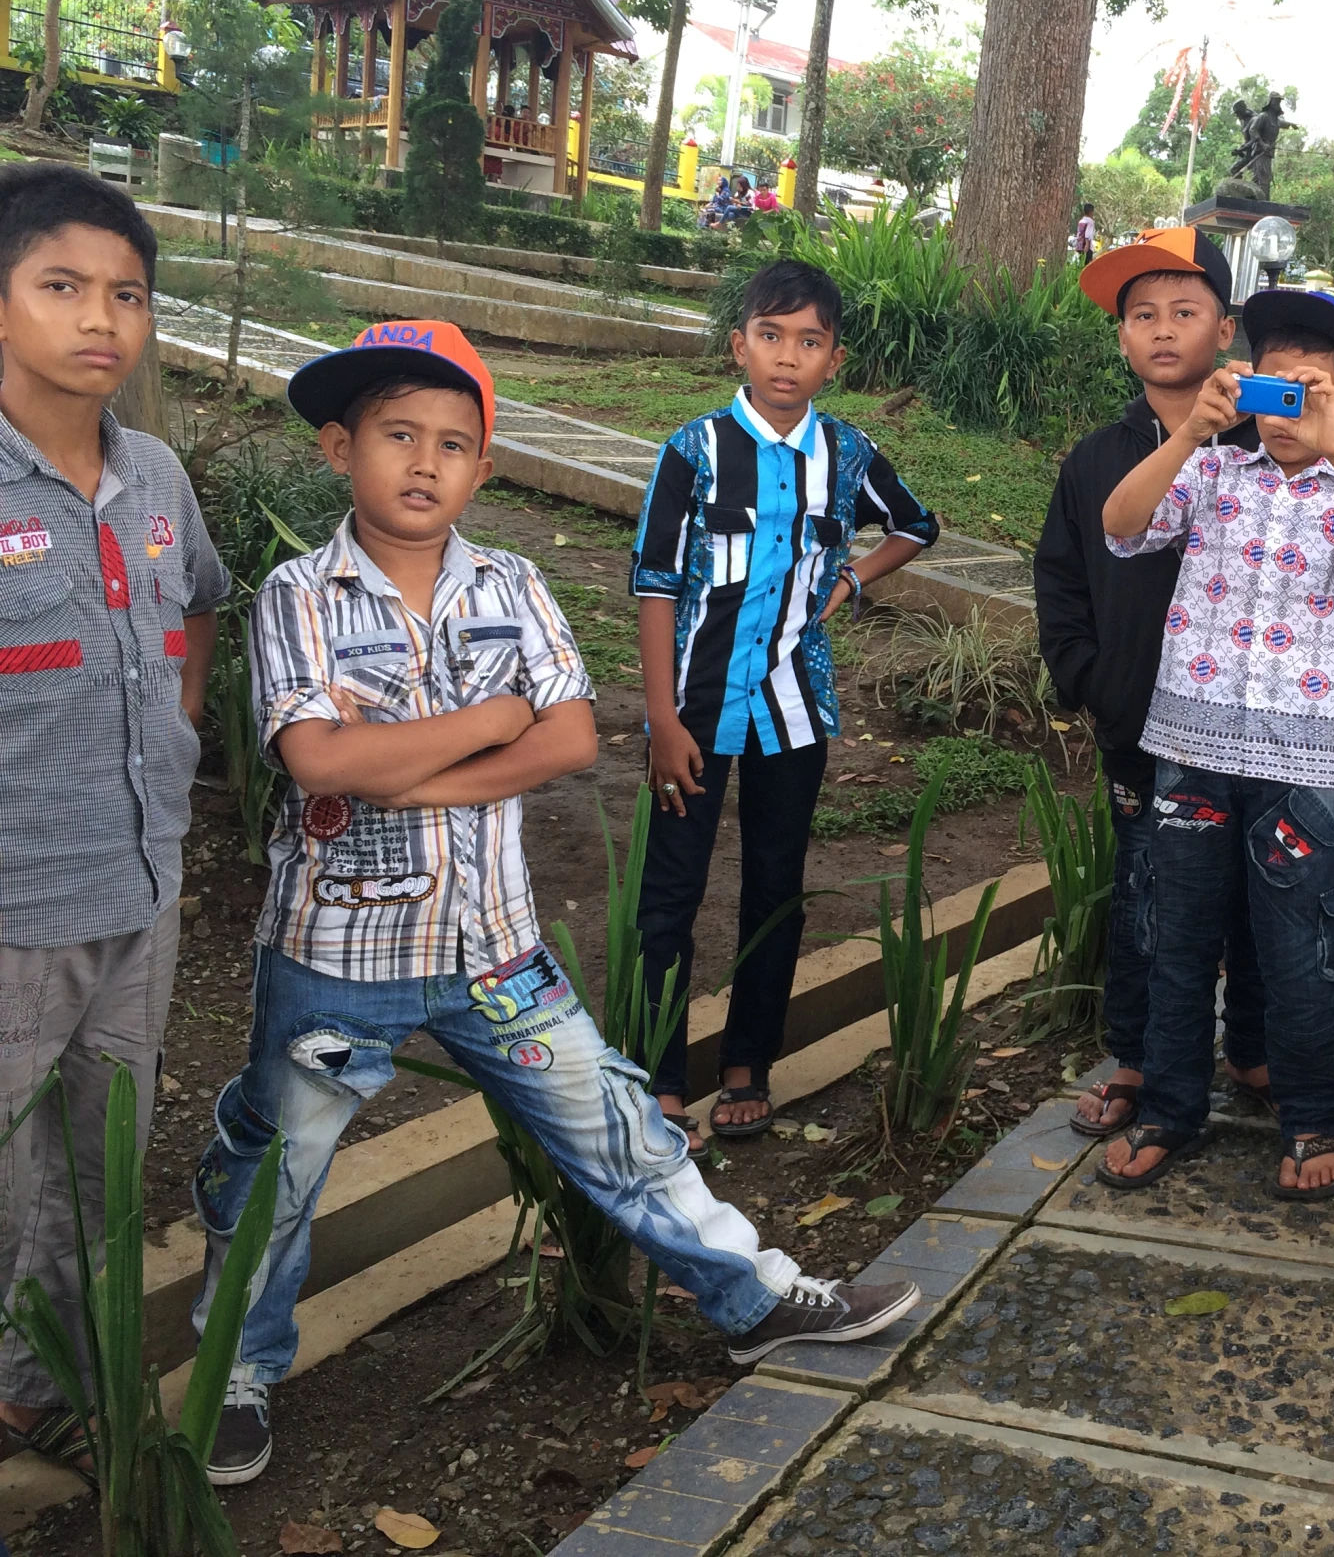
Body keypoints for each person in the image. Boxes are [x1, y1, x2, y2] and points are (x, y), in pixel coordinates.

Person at [191, 320, 918, 1486]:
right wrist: (489, 725)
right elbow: (317, 762)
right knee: (277, 1172)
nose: (424, 463)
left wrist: (405, 758)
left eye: (454, 444)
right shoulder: (299, 594)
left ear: (484, 468)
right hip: (338, 950)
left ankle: (757, 1298)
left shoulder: (513, 583)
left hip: (497, 949)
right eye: (396, 436)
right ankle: (236, 1368)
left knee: (620, 1133)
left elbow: (572, 738)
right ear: (339, 449)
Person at [1095, 291, 1334, 1202]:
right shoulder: (1211, 474)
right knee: (1177, 937)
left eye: (1310, 391)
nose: (1287, 410)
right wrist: (1189, 435)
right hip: (1192, 747)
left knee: (1303, 947)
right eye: (1272, 388)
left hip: (1300, 765)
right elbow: (1122, 525)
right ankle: (1169, 1106)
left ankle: (1315, 1115)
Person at [0, 165, 226, 1481]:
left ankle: (37, 1393)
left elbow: (190, 605)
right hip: (15, 908)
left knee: (101, 1174)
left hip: (142, 893)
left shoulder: (153, 474)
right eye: (63, 286)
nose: (102, 318)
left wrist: (178, 730)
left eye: (128, 293)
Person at [632, 260, 938, 1149]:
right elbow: (653, 584)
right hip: (691, 709)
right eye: (771, 337)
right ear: (740, 345)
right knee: (670, 895)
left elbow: (915, 524)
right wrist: (660, 720)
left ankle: (747, 1061)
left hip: (793, 712)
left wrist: (852, 577)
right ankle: (658, 1074)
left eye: (809, 342)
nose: (787, 358)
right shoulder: (693, 451)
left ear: (834, 358)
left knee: (776, 887)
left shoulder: (846, 455)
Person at [1037, 228, 1271, 1137]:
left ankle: (1249, 1045)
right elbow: (1060, 575)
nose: (1163, 331)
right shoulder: (1100, 458)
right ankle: (1136, 1056)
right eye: (1142, 316)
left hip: (1251, 728)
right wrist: (1089, 679)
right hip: (1138, 723)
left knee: (1258, 896)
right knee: (1144, 894)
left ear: (1225, 327)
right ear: (1123, 338)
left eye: (1186, 311)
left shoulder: (1271, 443)